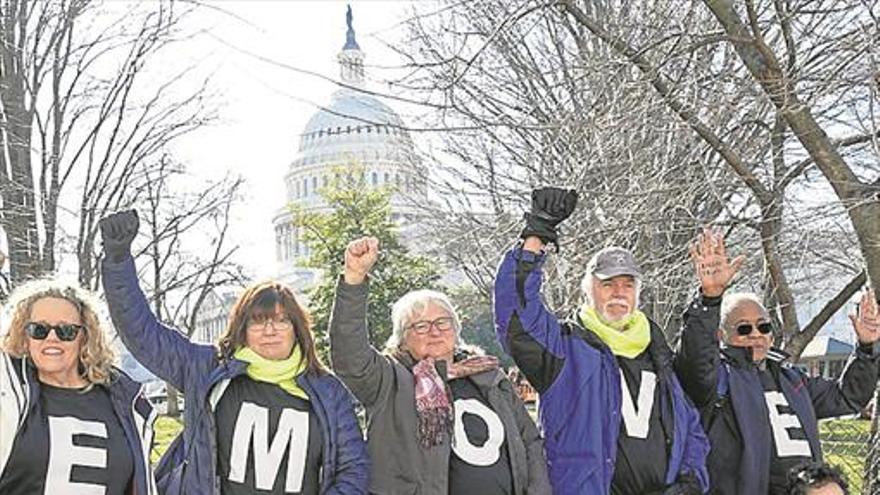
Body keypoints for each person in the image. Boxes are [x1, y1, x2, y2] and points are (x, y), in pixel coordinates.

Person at [99, 210, 368, 495]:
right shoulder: (207, 371)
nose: (270, 330)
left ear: (297, 328)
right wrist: (118, 262)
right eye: (258, 320)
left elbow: (353, 469)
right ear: (242, 328)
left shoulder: (328, 392)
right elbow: (144, 335)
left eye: (281, 320)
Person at [493, 187, 709, 495]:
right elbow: (515, 316)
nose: (619, 292)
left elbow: (693, 432)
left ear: (638, 292)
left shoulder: (659, 354)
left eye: (627, 283)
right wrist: (536, 236)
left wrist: (690, 482)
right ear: (588, 290)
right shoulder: (563, 348)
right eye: (607, 283)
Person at [329, 236, 551, 495]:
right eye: (421, 326)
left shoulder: (487, 376)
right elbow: (348, 354)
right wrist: (354, 279)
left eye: (442, 323)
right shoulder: (389, 380)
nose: (434, 331)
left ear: (455, 330)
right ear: (402, 339)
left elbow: (530, 443)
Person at [675, 228, 880, 494]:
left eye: (764, 326)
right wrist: (709, 298)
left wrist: (866, 347)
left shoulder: (791, 378)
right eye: (744, 329)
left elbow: (847, 397)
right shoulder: (718, 378)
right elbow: (695, 359)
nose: (757, 335)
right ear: (722, 335)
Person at [0, 280, 157, 495]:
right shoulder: (8, 396)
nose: (52, 338)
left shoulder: (122, 401)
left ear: (85, 336)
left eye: (66, 331)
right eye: (39, 330)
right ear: (24, 336)